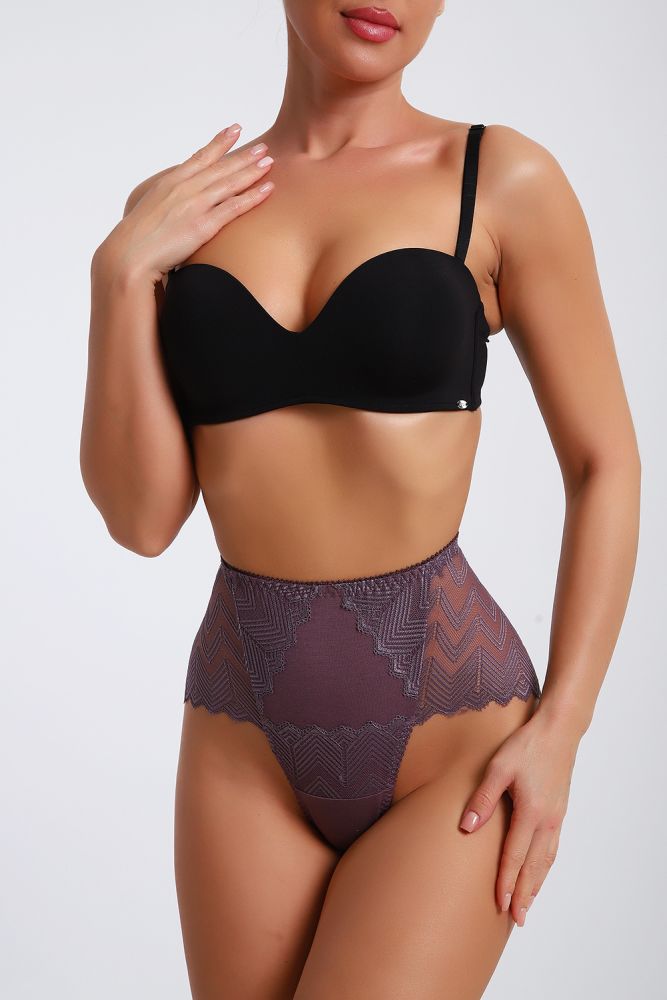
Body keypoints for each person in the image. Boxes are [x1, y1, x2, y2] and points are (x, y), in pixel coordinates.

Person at [80, 2, 641, 997]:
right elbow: (143, 519)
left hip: (451, 728)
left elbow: (605, 464)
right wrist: (118, 274)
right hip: (241, 734)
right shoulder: (180, 209)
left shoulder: (497, 178)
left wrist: (562, 729)